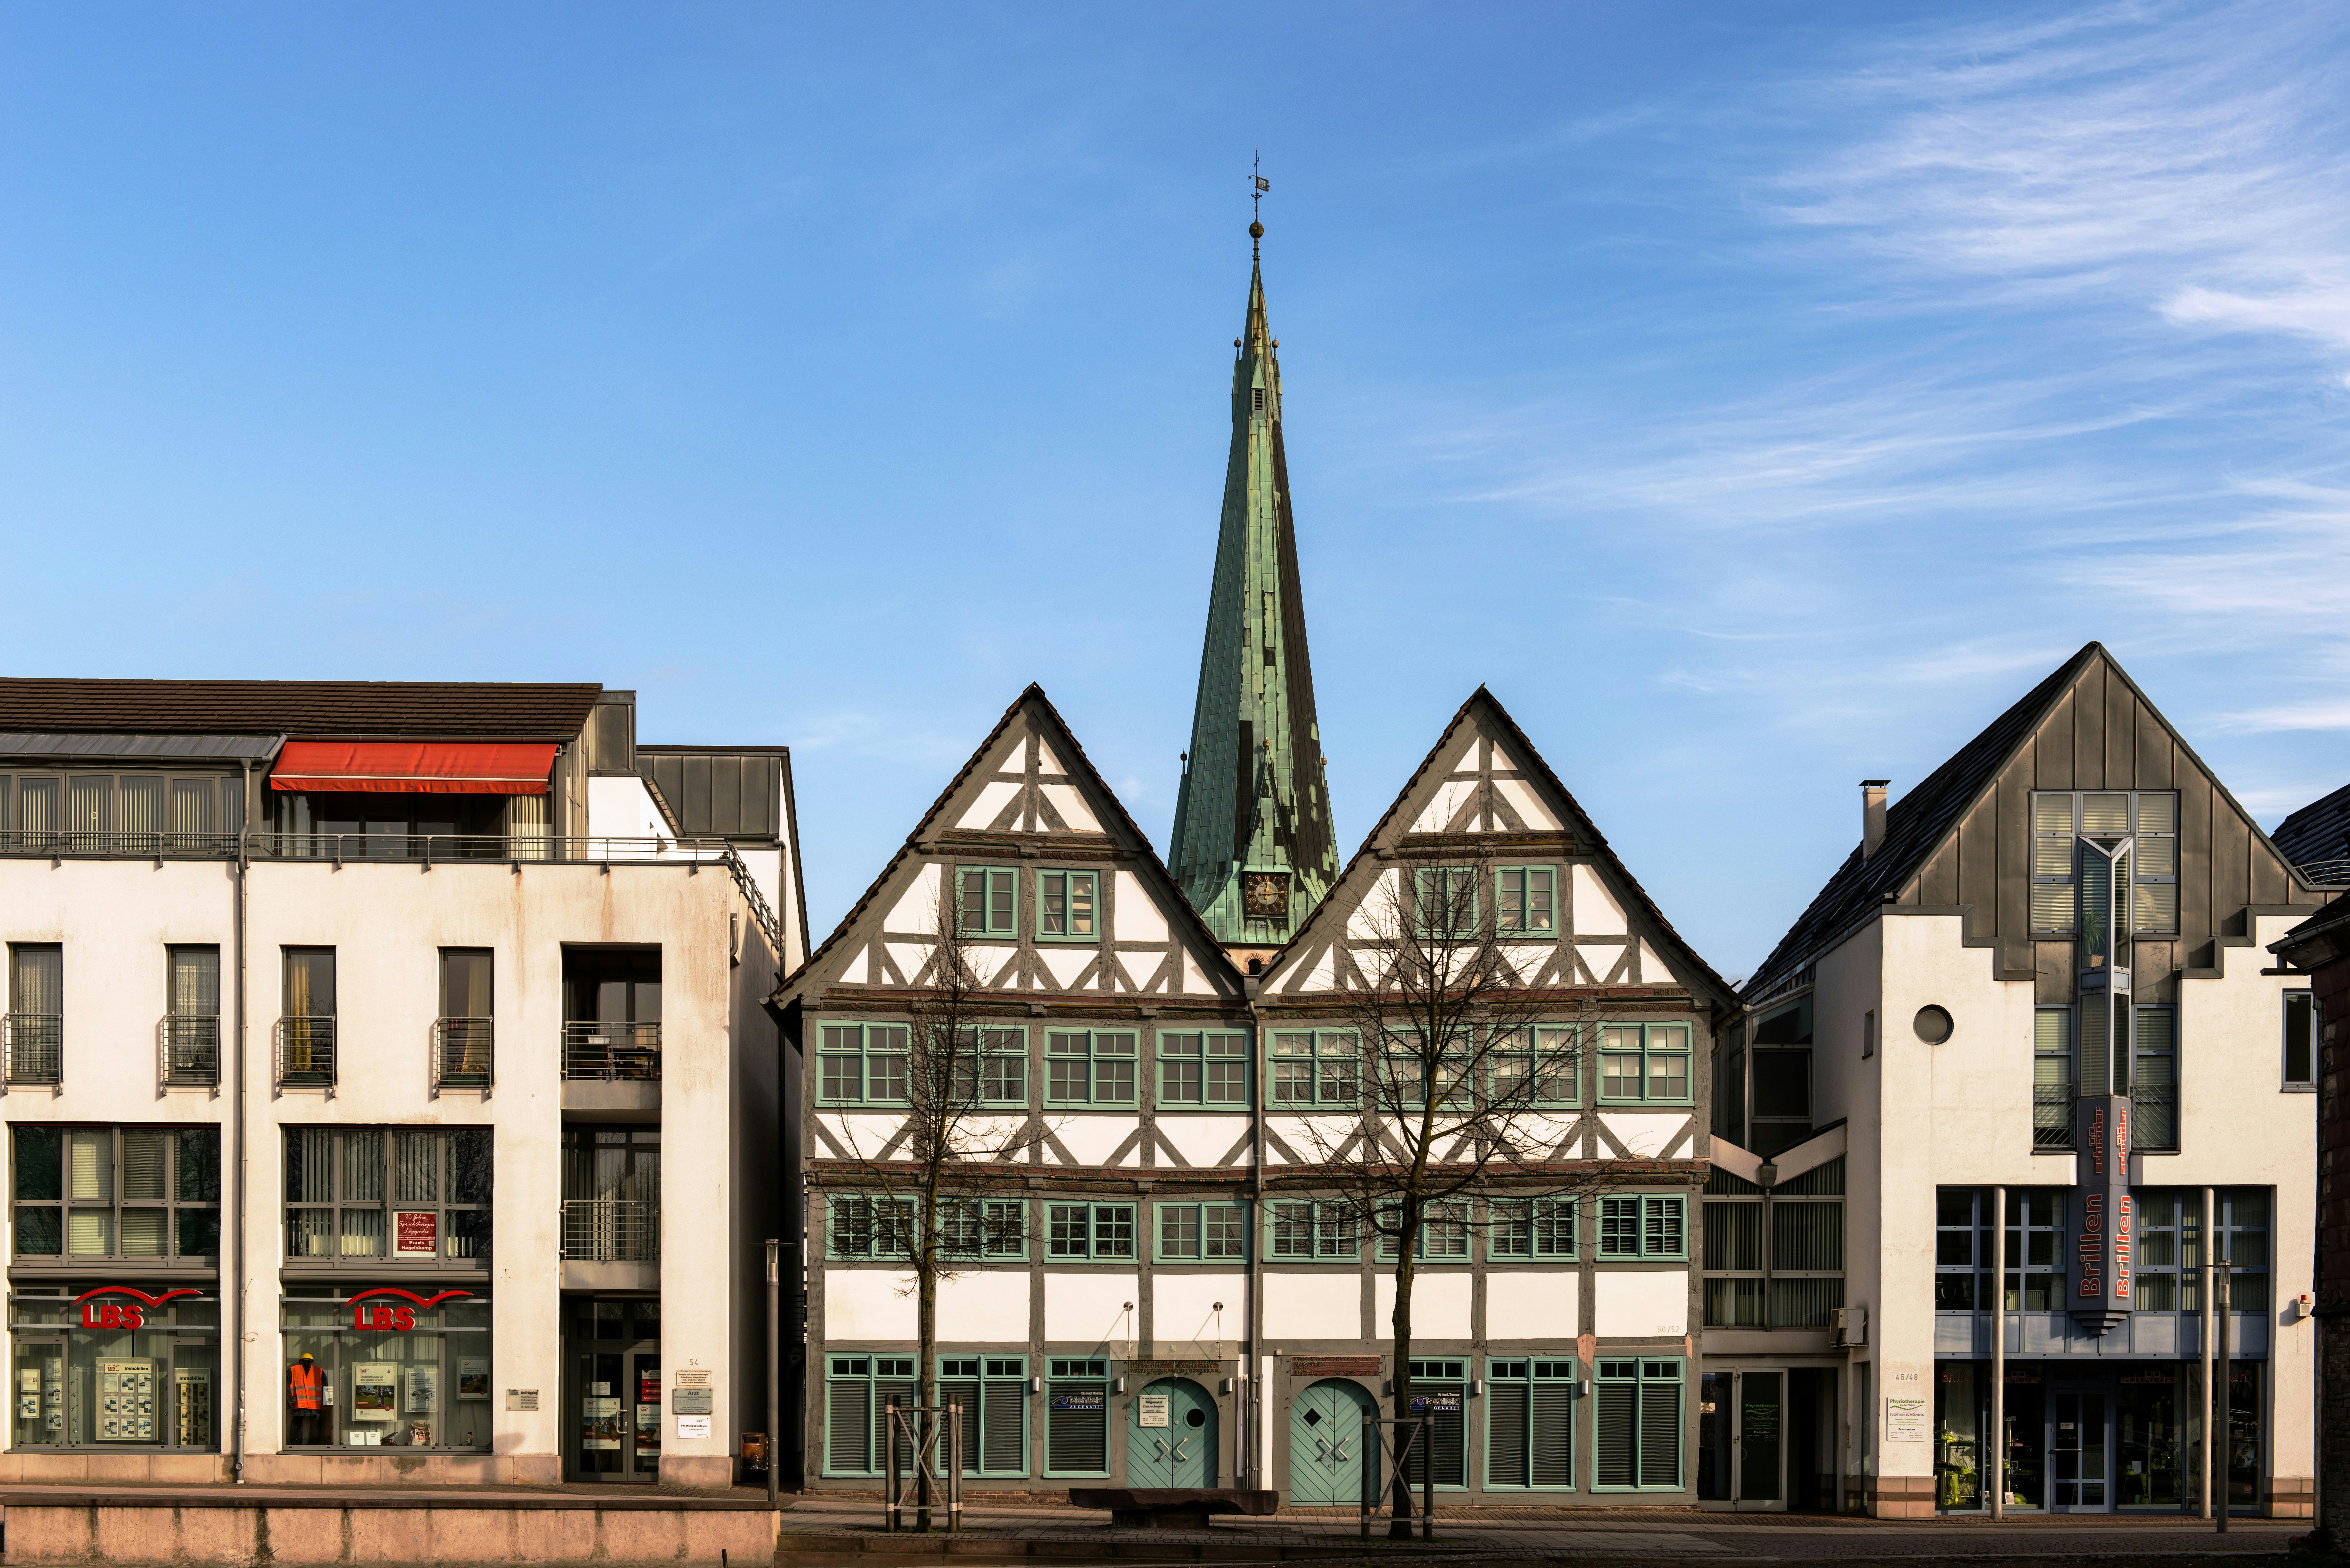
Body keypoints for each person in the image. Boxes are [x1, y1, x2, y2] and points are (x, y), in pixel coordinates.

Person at [288, 1353, 325, 1446]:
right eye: (305, 1361)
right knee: (303, 1423)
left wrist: (326, 1405)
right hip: (301, 1403)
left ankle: (311, 1444)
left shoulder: (319, 1371)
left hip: (311, 1404)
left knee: (311, 1424)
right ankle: (297, 1444)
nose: (306, 1363)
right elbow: (286, 1388)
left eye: (308, 1361)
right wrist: (289, 1403)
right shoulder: (293, 1370)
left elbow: (326, 1389)